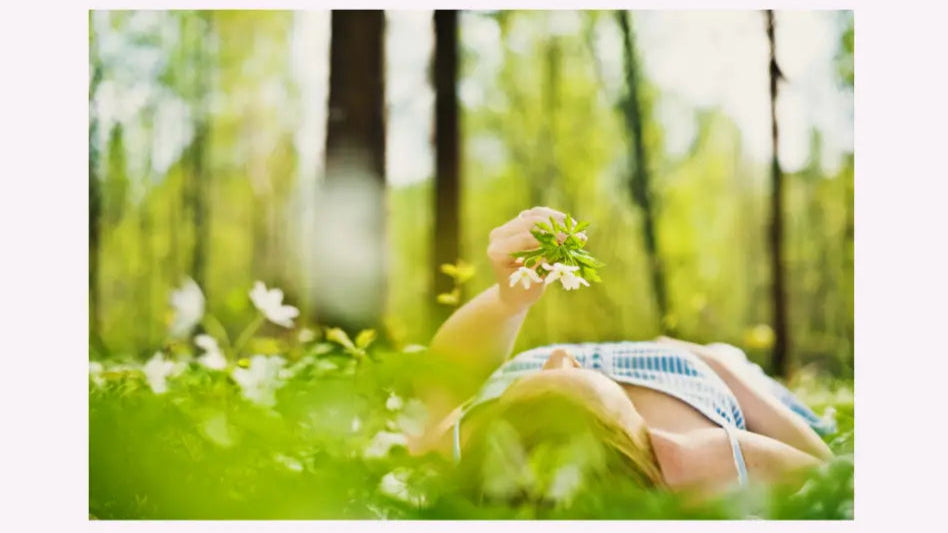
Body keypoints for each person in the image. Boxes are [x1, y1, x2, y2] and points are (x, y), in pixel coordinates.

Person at [409, 206, 835, 498]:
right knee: (737, 357)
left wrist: (510, 300)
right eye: (574, 371)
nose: (559, 355)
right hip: (696, 372)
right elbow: (831, 474)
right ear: (658, 446)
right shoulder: (704, 457)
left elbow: (445, 373)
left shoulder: (472, 445)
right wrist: (717, 364)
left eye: (532, 378)